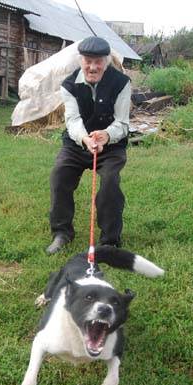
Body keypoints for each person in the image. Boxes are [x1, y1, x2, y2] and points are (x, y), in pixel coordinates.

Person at [46, 36, 132, 255]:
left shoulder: (122, 82)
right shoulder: (68, 85)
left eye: (98, 61)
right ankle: (61, 233)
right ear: (80, 59)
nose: (93, 67)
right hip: (77, 142)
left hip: (110, 145)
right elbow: (73, 121)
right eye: (88, 61)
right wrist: (86, 139)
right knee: (59, 175)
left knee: (110, 183)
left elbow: (122, 123)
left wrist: (105, 135)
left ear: (107, 60)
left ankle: (109, 241)